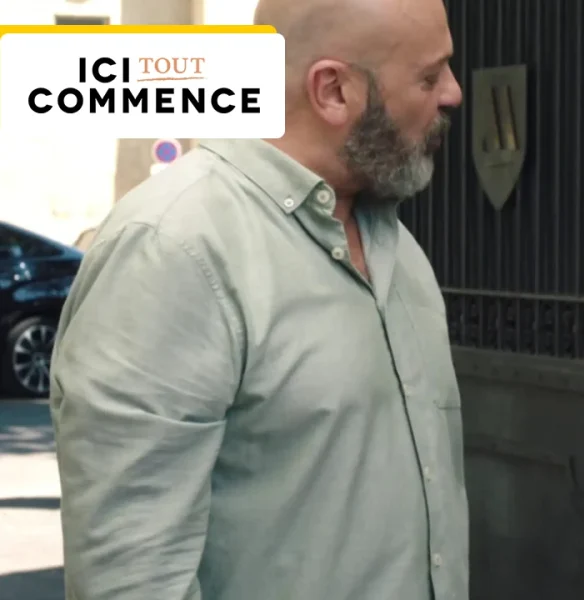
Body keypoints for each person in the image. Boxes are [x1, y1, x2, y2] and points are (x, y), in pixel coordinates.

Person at [48, 0, 467, 598]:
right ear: (333, 90)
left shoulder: (398, 249)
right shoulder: (175, 248)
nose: (453, 93)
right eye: (428, 76)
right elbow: (131, 579)